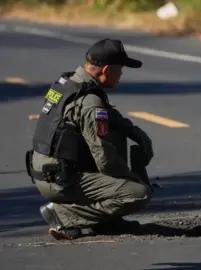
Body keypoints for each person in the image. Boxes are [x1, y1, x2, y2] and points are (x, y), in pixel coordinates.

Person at [25, 38, 154, 240]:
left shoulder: (69, 83)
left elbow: (110, 115)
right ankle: (65, 215)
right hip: (61, 179)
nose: (122, 74)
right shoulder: (90, 102)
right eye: (120, 69)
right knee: (138, 193)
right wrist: (128, 177)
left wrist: (137, 134)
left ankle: (107, 219)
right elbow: (103, 156)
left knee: (115, 131)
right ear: (106, 70)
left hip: (48, 171)